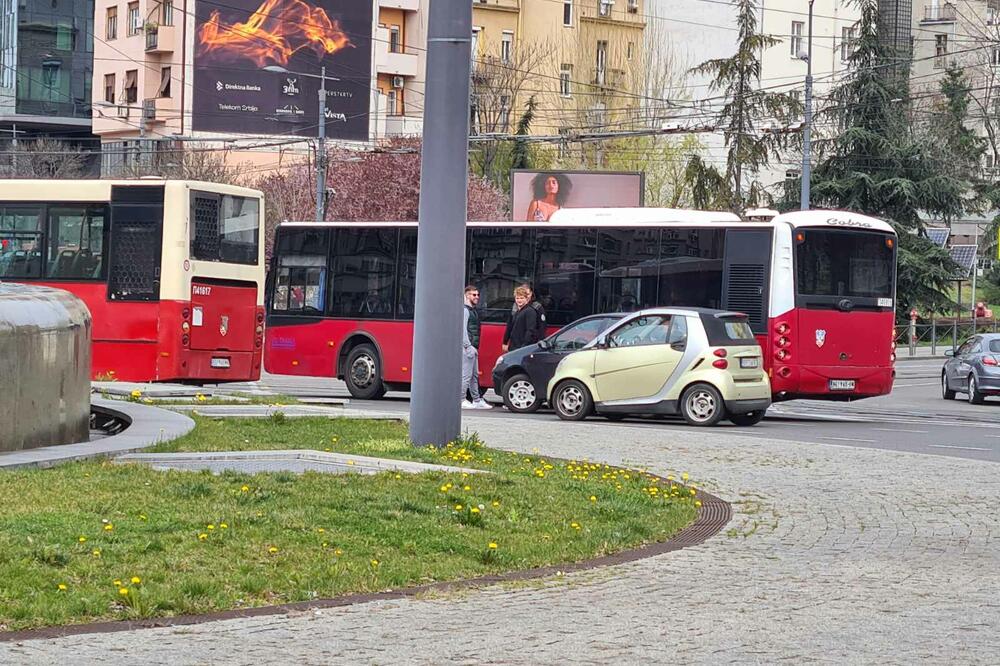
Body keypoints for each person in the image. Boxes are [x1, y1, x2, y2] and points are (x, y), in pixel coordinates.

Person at [461, 285, 492, 410]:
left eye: (477, 295)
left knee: (474, 375)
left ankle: (477, 399)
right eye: (474, 295)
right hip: (468, 347)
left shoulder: (472, 310)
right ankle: (461, 399)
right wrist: (468, 346)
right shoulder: (465, 310)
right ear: (467, 295)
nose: (477, 297)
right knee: (466, 375)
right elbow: (463, 330)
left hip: (473, 347)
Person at [502, 285, 546, 352]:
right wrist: (505, 342)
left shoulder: (531, 311)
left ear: (527, 299)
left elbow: (531, 331)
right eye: (517, 298)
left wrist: (523, 348)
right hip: (514, 347)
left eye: (522, 298)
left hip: (522, 348)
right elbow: (510, 326)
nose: (519, 300)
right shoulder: (516, 310)